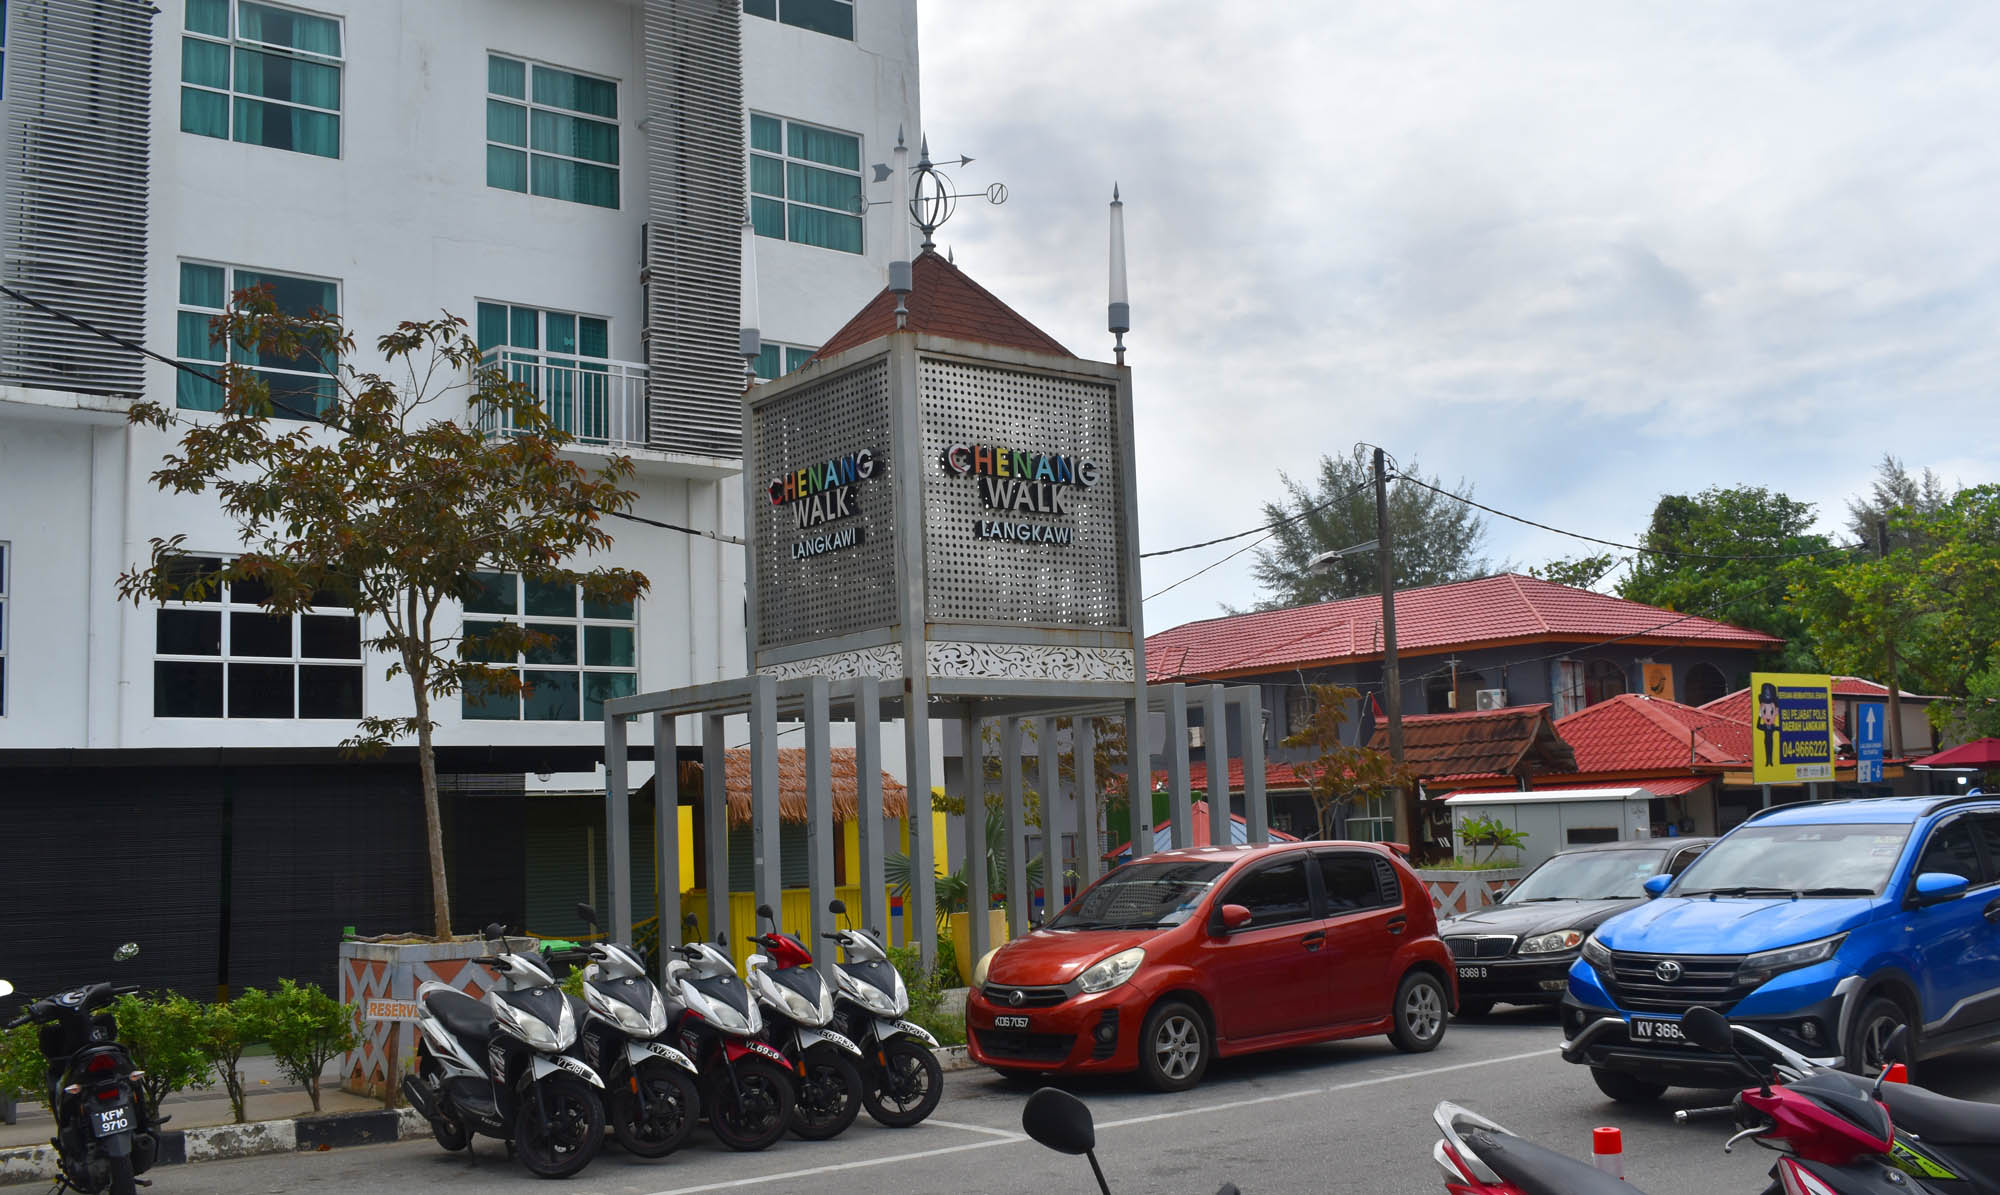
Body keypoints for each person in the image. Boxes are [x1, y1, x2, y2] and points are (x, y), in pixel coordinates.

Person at [1757, 682, 1780, 768]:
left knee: (1771, 750)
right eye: (1764, 711)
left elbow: (1779, 729)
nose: (1767, 716)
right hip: (1766, 741)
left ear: (1776, 712)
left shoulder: (1773, 727)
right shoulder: (1764, 726)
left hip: (1771, 741)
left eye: (1771, 711)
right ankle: (1767, 761)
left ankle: (1771, 761)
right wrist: (1759, 716)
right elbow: (1758, 726)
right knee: (1767, 750)